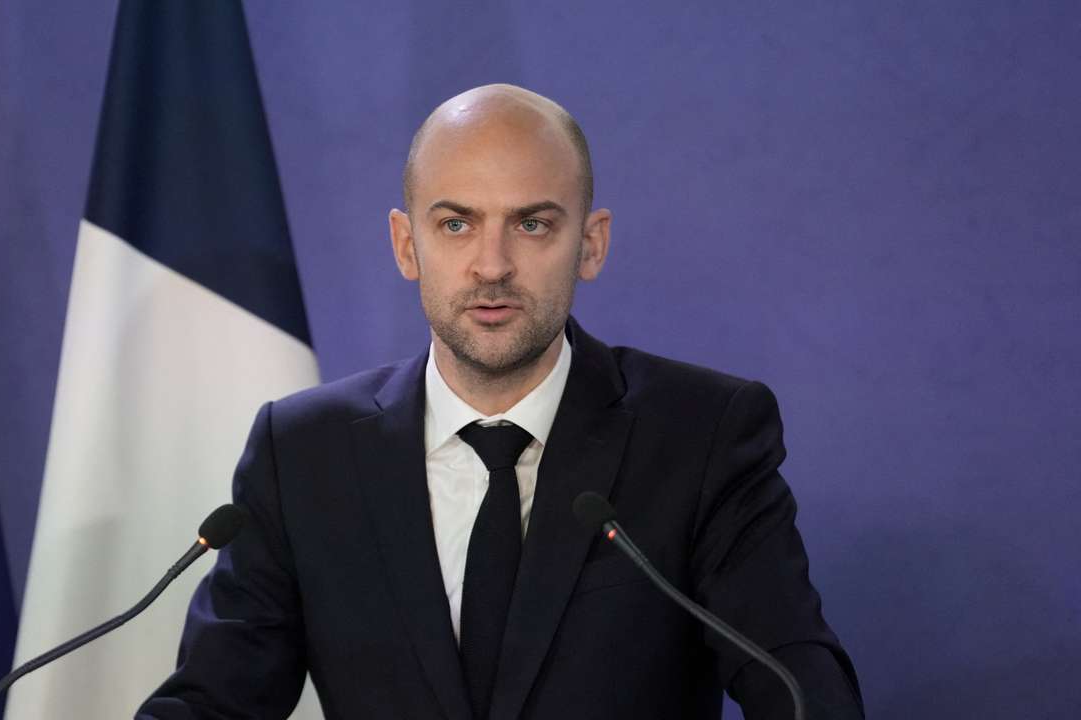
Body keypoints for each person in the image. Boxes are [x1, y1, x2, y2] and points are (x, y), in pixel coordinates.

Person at [137, 84, 864, 719]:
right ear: (406, 244)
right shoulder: (304, 454)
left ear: (591, 243)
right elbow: (214, 702)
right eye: (456, 224)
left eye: (532, 224)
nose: (492, 265)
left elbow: (799, 686)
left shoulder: (702, 437)